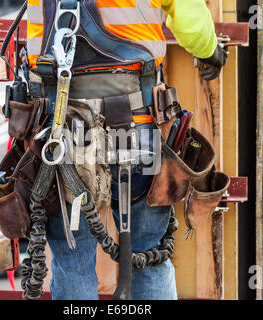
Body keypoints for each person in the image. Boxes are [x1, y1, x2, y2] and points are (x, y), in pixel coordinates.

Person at [26, 0, 228, 300]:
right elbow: (190, 19)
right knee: (150, 253)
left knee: (72, 259)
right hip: (139, 128)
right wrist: (211, 52)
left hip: (63, 132)